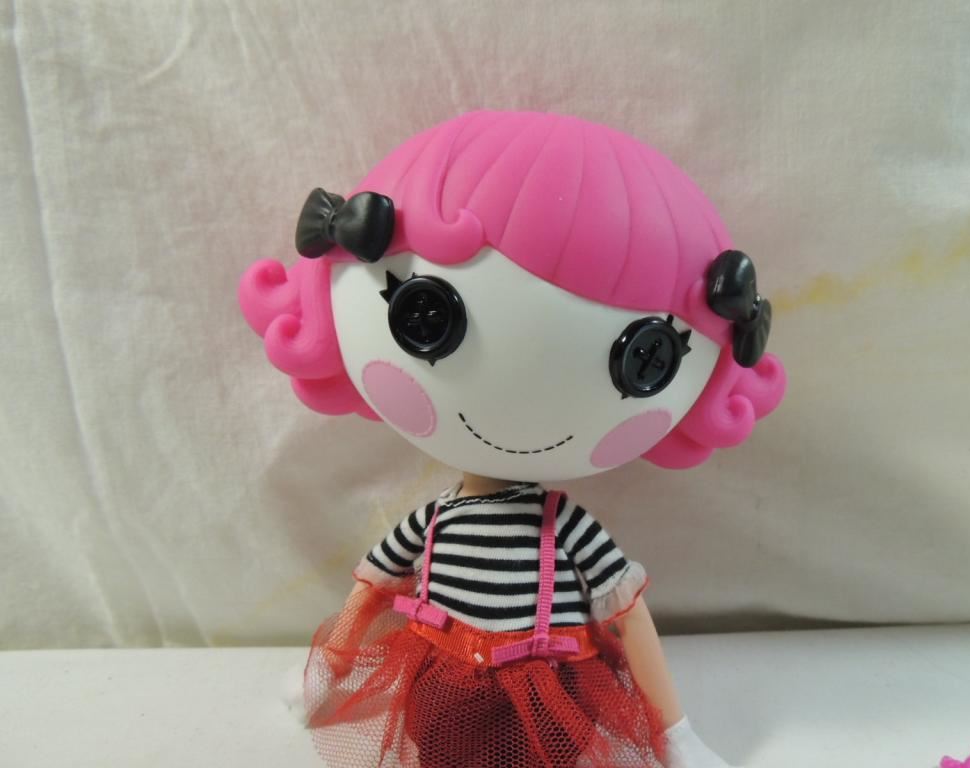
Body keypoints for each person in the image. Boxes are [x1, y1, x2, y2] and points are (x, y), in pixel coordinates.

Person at [240, 110, 786, 767]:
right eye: (426, 317)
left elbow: (629, 618)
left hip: (549, 697)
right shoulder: (432, 522)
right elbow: (371, 588)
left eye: (645, 359)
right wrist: (323, 673)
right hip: (441, 689)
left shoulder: (565, 527)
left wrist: (675, 733)